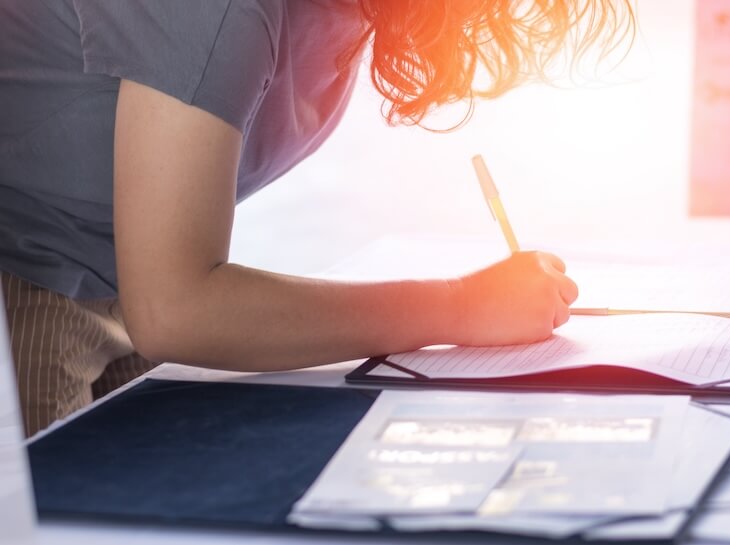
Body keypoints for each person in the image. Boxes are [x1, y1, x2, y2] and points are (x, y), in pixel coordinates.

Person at [0, 0, 634, 436]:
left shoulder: (346, 14)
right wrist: (461, 305)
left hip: (114, 286)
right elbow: (177, 309)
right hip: (22, 281)